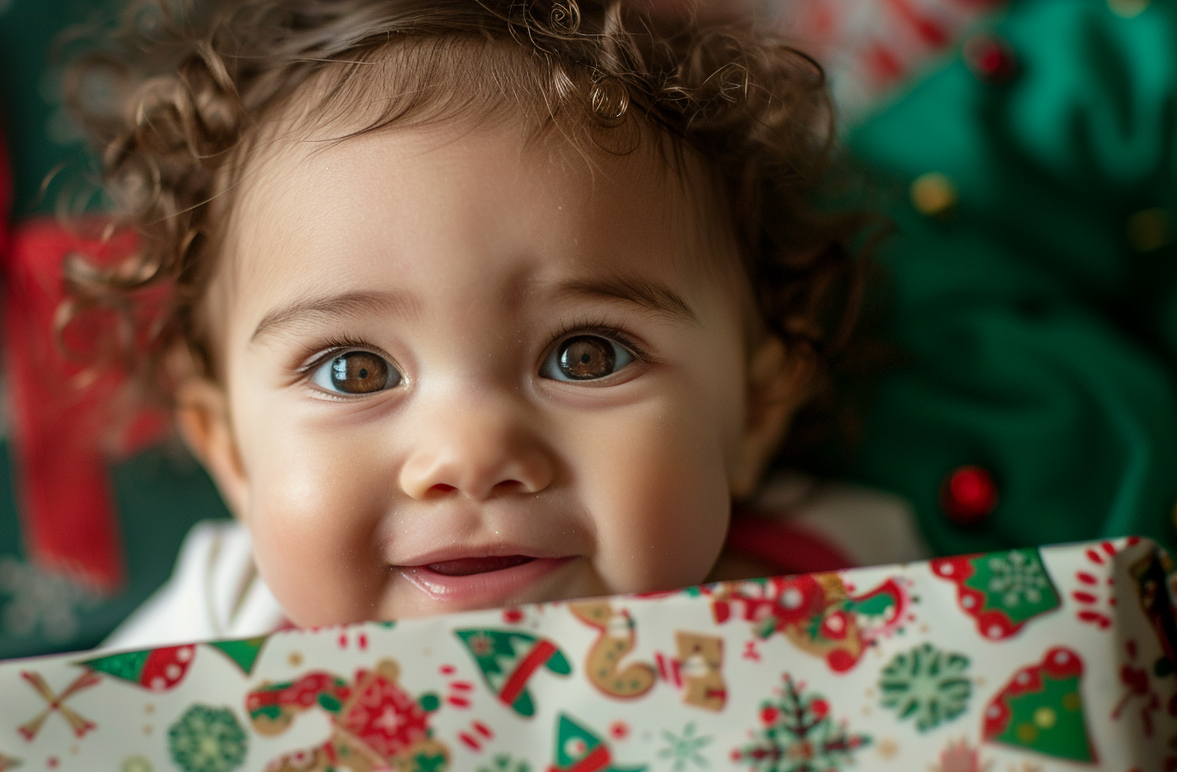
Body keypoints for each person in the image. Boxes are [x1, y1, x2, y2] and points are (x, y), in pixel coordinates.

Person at [62, 0, 923, 648]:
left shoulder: (851, 589)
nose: (470, 456)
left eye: (587, 355)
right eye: (353, 370)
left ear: (757, 409)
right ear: (231, 452)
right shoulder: (217, 627)